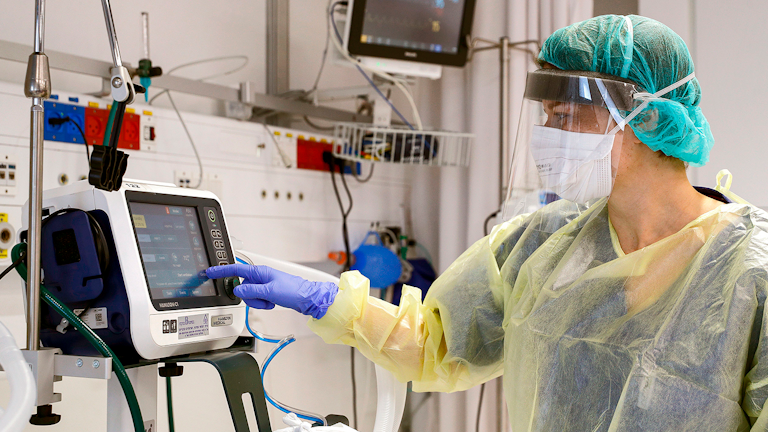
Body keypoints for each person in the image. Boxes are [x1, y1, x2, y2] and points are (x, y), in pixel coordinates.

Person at [208, 15, 768, 431]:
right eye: (544, 116)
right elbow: (436, 345)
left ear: (645, 114)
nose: (548, 133)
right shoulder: (542, 244)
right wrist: (327, 302)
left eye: (567, 113)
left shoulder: (750, 273)